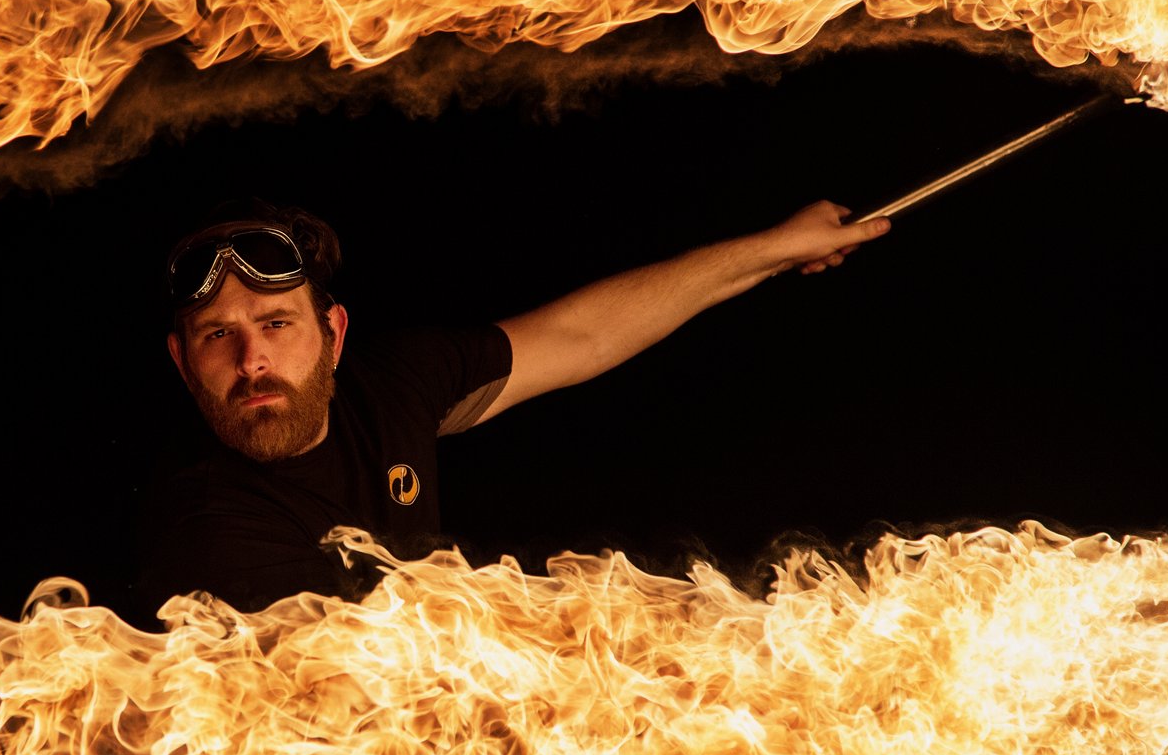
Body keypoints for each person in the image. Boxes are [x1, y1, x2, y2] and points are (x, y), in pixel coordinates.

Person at [135, 199, 888, 614]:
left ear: (332, 335)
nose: (252, 360)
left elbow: (583, 334)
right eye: (216, 337)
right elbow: (386, 679)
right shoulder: (204, 526)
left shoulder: (388, 385)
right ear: (182, 360)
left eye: (275, 323)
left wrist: (776, 249)